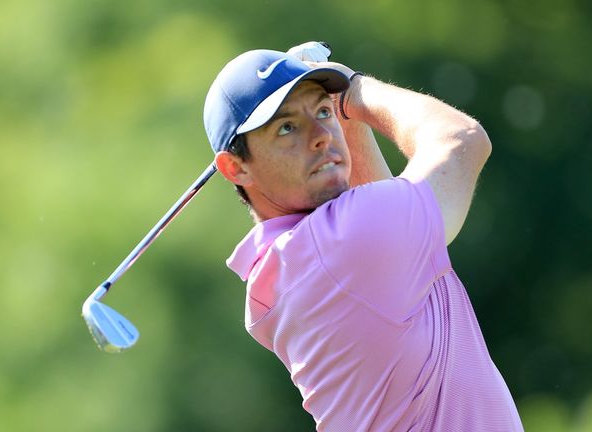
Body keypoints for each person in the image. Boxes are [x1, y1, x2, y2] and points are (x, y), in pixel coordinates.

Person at [202, 42, 523, 431]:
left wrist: (343, 114)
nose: (321, 135)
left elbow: (386, 222)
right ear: (235, 168)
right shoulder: (340, 244)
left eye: (323, 111)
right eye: (287, 127)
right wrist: (354, 91)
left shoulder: (289, 262)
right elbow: (462, 140)